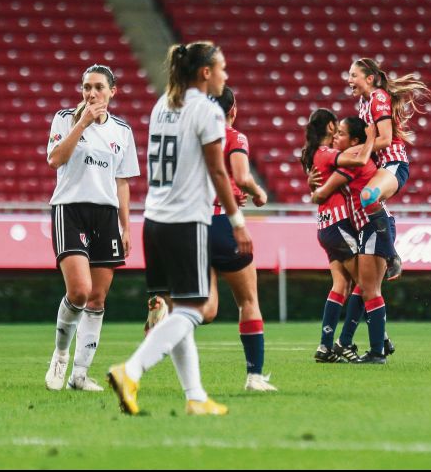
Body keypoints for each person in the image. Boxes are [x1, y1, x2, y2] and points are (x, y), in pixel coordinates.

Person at [107, 41, 246, 416]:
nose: (225, 75)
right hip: (186, 221)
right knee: (196, 309)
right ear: (205, 72)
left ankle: (196, 396)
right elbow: (218, 171)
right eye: (222, 68)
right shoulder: (207, 110)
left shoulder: (162, 105)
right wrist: (237, 222)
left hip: (155, 219)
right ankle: (130, 370)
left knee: (179, 309)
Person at [145, 87, 276, 391]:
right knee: (248, 301)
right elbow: (242, 177)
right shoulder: (234, 136)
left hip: (190, 225)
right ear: (233, 111)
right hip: (222, 223)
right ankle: (254, 376)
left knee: (206, 309)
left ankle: (168, 315)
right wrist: (258, 193)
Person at [44, 64, 139, 392]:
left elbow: (122, 182)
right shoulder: (65, 117)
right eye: (87, 87)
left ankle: (80, 375)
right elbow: (55, 159)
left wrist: (126, 227)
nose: (91, 93)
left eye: (99, 87)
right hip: (69, 209)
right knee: (79, 291)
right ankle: (59, 355)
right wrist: (82, 123)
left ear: (113, 92)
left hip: (105, 215)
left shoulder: (122, 131)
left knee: (97, 299)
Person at [311, 118, 394, 365]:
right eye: (334, 133)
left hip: (366, 226)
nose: (336, 138)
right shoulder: (343, 157)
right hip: (353, 227)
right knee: (362, 287)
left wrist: (313, 190)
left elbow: (323, 192)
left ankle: (359, 346)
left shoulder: (352, 159)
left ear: (355, 141)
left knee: (359, 287)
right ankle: (365, 343)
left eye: (341, 134)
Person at [300, 109, 376, 363]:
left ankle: (325, 346)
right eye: (338, 129)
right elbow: (358, 161)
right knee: (366, 285)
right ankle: (350, 342)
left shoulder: (315, 155)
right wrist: (371, 140)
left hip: (325, 227)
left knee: (341, 285)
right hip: (338, 225)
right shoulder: (327, 154)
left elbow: (318, 191)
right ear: (331, 127)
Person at [346, 57, 431, 279]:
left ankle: (392, 255)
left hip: (394, 163)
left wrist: (355, 152)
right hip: (380, 166)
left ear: (370, 78)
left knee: (368, 196)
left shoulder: (378, 98)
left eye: (354, 75)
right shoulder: (364, 102)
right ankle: (385, 242)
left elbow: (384, 139)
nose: (349, 80)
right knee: (363, 201)